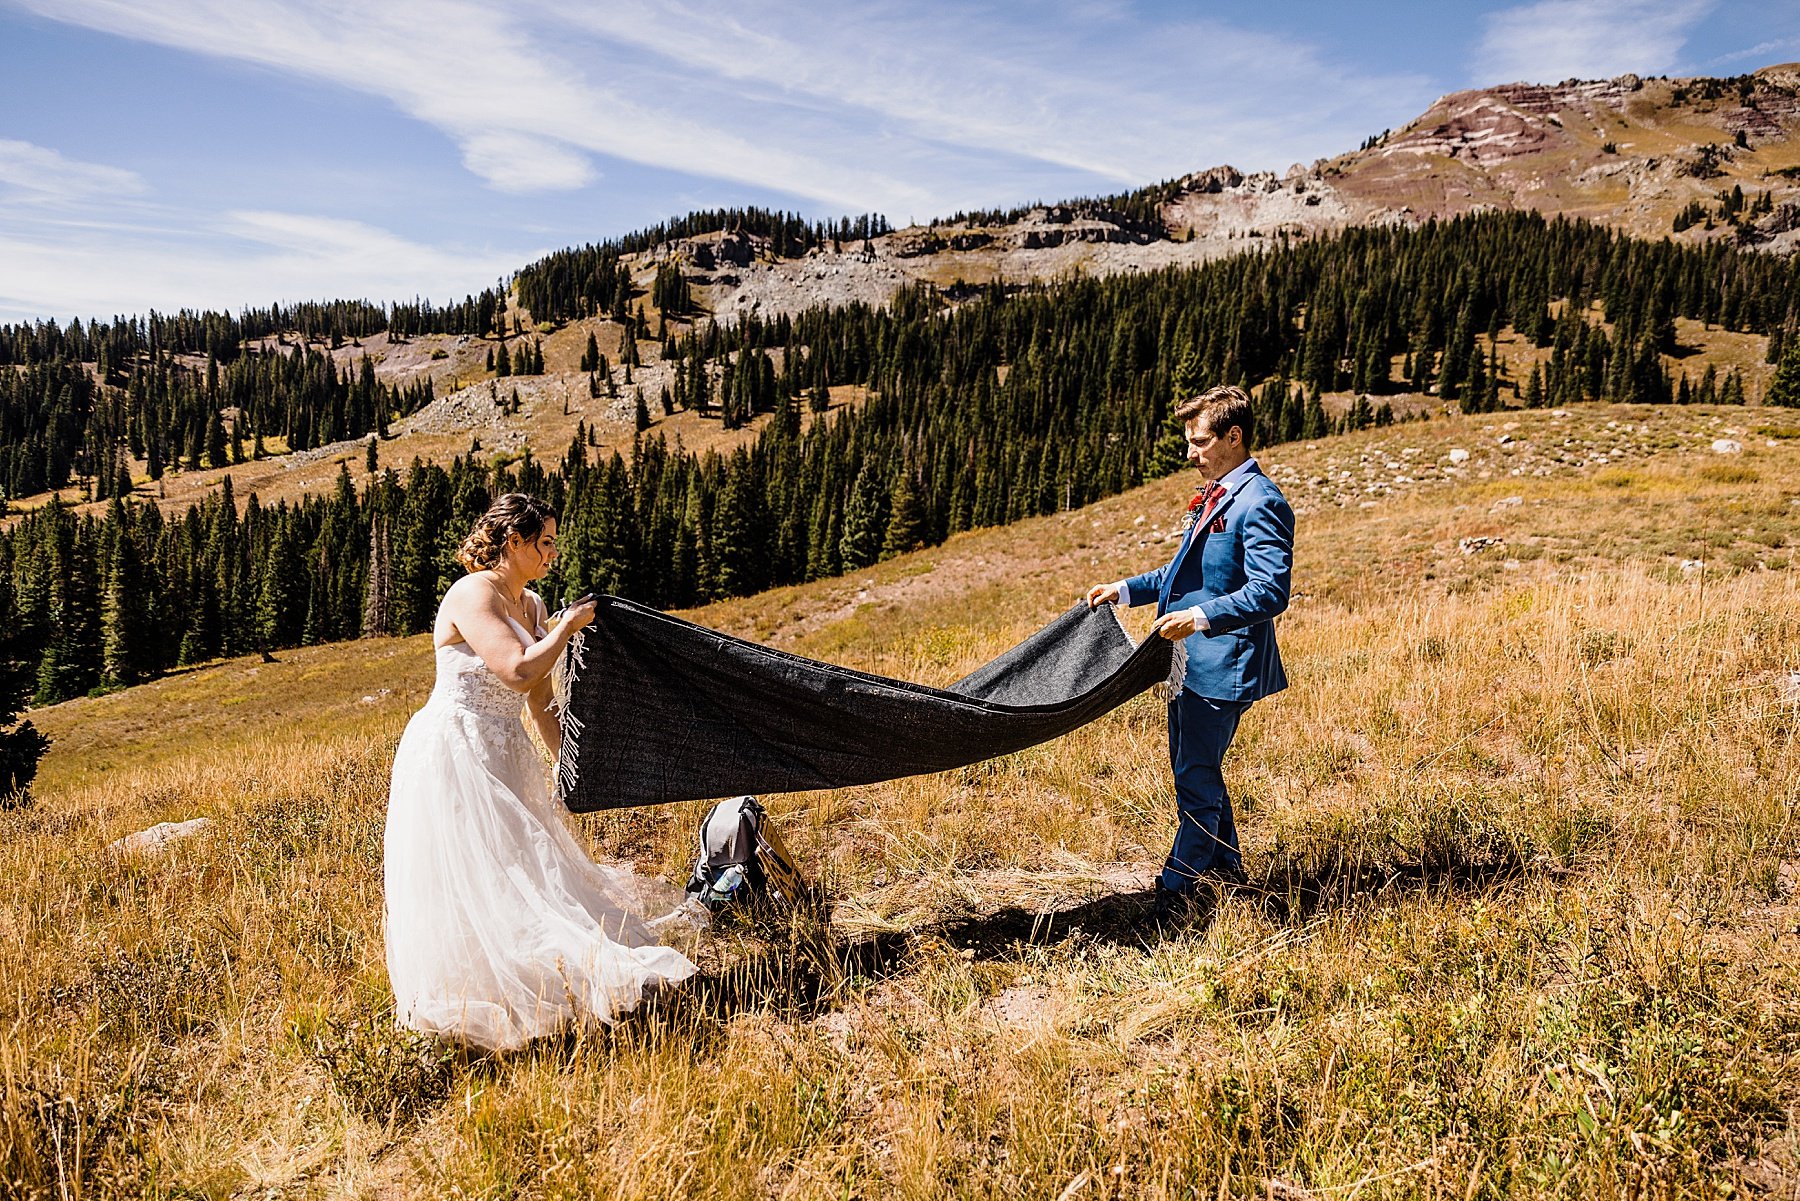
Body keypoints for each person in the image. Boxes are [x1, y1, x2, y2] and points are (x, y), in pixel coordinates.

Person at [384, 493, 700, 1050]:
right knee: (483, 869)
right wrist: (570, 627)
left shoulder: (530, 604)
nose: (554, 552)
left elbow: (539, 700)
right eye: (545, 541)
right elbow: (515, 668)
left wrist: (567, 763)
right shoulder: (471, 592)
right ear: (513, 543)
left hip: (506, 750)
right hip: (455, 748)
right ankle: (483, 991)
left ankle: (548, 972)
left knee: (529, 866)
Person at [1087, 386, 1293, 925]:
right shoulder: (1215, 494)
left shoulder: (1260, 501)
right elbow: (1180, 574)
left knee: (1194, 776)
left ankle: (1177, 892)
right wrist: (1125, 589)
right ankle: (1227, 875)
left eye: (1200, 442)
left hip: (1223, 664)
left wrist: (1198, 619)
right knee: (1198, 768)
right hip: (1187, 661)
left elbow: (1271, 591)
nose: (1190, 454)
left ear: (1234, 436)